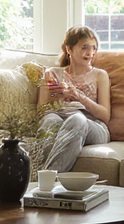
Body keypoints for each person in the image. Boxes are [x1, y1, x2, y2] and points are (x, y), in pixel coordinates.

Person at [36, 26, 112, 174]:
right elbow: (40, 112)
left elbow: (105, 115)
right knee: (50, 120)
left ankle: (49, 176)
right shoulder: (52, 73)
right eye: (84, 47)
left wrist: (78, 95)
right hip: (60, 118)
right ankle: (46, 177)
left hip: (93, 125)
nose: (90, 53)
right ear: (69, 49)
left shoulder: (100, 75)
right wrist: (56, 98)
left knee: (77, 119)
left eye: (94, 48)